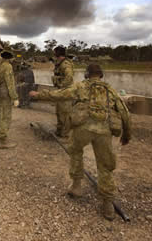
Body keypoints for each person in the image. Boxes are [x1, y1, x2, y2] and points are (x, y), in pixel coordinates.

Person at [30, 64, 131, 221]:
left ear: (87, 74)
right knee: (105, 165)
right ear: (101, 75)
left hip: (83, 129)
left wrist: (37, 95)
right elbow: (125, 112)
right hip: (104, 131)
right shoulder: (111, 90)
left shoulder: (81, 86)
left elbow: (60, 94)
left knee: (75, 151)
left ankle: (77, 186)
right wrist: (127, 135)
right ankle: (108, 204)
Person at [0, 48, 19, 148]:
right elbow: (10, 83)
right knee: (6, 116)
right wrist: (14, 97)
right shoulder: (8, 66)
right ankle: (2, 141)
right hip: (5, 94)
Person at [52, 45, 74, 139]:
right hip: (61, 91)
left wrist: (61, 87)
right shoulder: (59, 63)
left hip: (65, 91)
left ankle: (65, 133)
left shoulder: (65, 64)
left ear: (58, 53)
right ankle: (60, 130)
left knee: (65, 113)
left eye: (55, 52)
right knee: (59, 112)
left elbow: (69, 78)